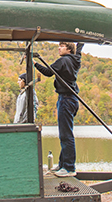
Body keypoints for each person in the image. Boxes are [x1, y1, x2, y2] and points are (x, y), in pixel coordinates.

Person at [34, 42, 84, 177]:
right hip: (72, 99)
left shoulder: (63, 60)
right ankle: (62, 164)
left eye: (61, 46)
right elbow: (79, 50)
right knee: (66, 132)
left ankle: (69, 168)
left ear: (68, 49)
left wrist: (35, 63)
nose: (58, 48)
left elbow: (48, 72)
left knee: (65, 134)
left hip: (66, 99)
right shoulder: (76, 59)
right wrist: (80, 41)